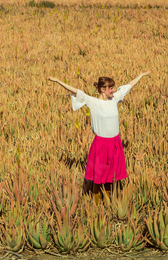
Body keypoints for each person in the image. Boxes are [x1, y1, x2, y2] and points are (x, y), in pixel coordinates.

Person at [46, 71, 151, 204]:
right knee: (100, 174)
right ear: (103, 89)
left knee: (112, 174)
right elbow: (76, 91)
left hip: (115, 143)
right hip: (101, 144)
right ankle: (97, 203)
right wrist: (57, 80)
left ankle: (109, 201)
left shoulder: (114, 99)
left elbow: (128, 86)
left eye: (113, 88)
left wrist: (141, 75)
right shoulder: (93, 102)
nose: (113, 90)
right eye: (110, 88)